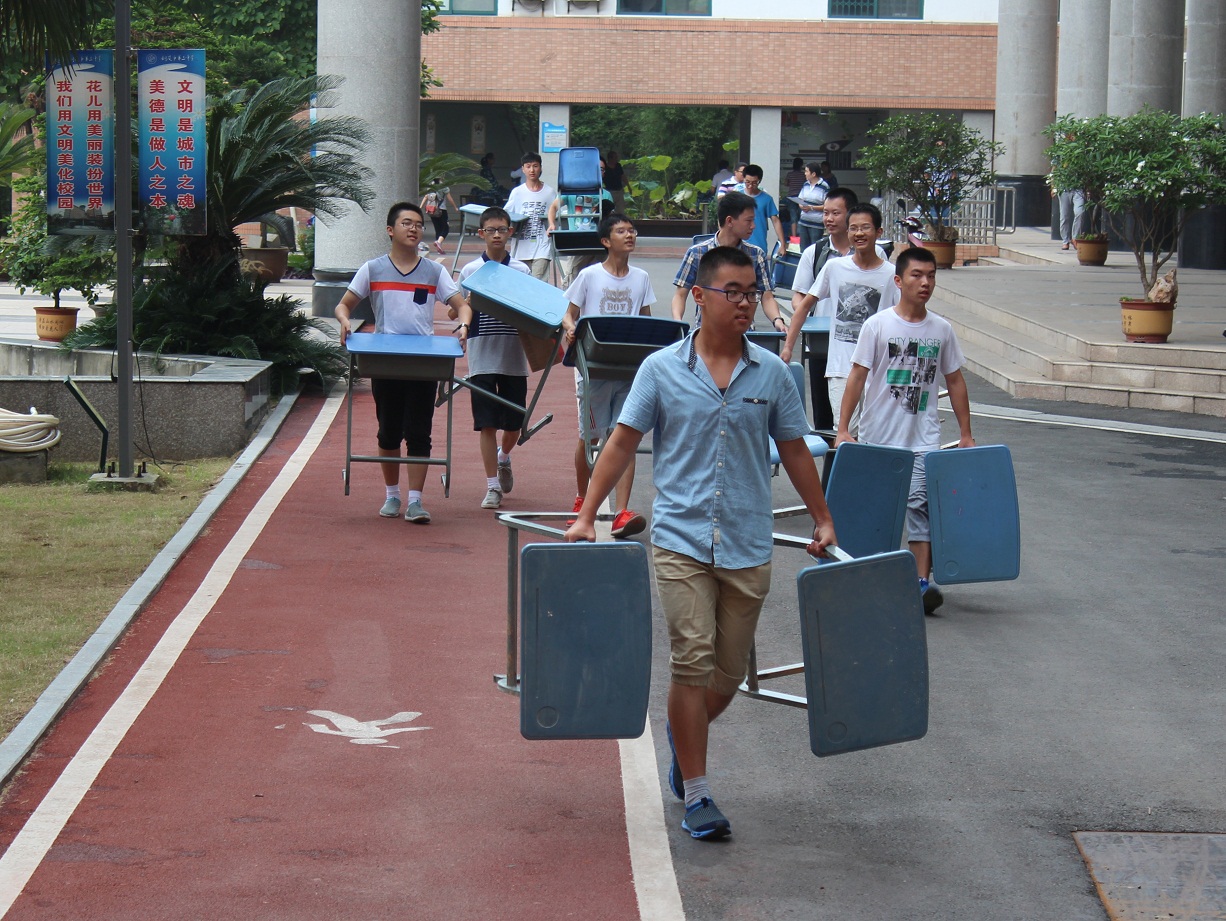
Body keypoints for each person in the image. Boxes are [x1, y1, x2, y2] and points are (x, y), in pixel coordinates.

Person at [565, 246, 837, 841]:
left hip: (747, 540)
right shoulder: (660, 369)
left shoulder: (772, 373)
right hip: (680, 538)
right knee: (691, 660)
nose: (745, 303)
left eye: (751, 293)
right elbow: (620, 441)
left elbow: (794, 448)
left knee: (727, 676)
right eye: (732, 292)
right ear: (701, 297)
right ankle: (698, 792)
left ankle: (682, 733)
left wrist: (823, 518)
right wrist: (588, 515)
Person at [835, 246, 975, 615]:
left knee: (919, 508)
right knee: (878, 513)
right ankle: (868, 576)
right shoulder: (877, 326)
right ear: (898, 281)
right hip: (878, 438)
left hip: (922, 440)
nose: (925, 282)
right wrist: (843, 428)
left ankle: (920, 583)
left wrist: (966, 433)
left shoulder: (941, 329)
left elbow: (955, 381)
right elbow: (857, 376)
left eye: (931, 275)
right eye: (917, 275)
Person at [335, 202, 467, 524]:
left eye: (419, 224)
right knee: (388, 430)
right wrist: (345, 321)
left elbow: (461, 305)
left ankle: (416, 501)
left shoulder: (434, 271)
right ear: (390, 230)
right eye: (407, 223)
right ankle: (392, 495)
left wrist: (464, 324)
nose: (414, 229)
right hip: (385, 362)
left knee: (419, 432)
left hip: (424, 363)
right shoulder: (372, 269)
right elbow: (344, 305)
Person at [561, 212, 655, 539]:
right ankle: (581, 499)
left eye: (632, 230)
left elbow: (647, 321)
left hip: (628, 369)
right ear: (606, 241)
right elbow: (569, 314)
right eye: (621, 231)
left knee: (624, 437)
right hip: (593, 370)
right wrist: (571, 329)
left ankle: (621, 512)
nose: (630, 235)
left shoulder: (641, 278)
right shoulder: (589, 275)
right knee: (590, 438)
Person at [786, 202, 898, 436]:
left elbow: (903, 319)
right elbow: (805, 305)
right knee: (845, 432)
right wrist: (788, 348)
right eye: (853, 228)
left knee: (877, 434)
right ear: (847, 233)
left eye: (865, 227)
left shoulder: (892, 274)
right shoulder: (834, 267)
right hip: (841, 368)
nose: (859, 233)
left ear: (878, 232)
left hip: (880, 370)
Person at [456, 207, 532, 511]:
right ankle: (492, 486)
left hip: (514, 355)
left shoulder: (522, 271)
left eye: (502, 229)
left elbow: (534, 309)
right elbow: (455, 308)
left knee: (514, 424)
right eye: (491, 230)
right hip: (481, 356)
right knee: (486, 424)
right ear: (481, 234)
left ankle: (504, 457)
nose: (497, 235)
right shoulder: (470, 271)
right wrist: (468, 303)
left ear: (510, 232)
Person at [670, 190, 787, 331]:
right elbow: (680, 294)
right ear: (730, 221)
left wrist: (777, 320)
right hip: (706, 333)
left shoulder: (756, 255)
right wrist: (678, 323)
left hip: (743, 333)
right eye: (748, 220)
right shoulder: (697, 253)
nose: (753, 226)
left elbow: (766, 296)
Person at [548, 156, 613, 287]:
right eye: (596, 169)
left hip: (598, 242)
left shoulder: (606, 194)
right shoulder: (571, 192)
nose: (598, 172)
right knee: (573, 279)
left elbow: (611, 219)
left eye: (601, 169)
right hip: (577, 241)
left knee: (600, 281)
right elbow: (553, 207)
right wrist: (551, 224)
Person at [505, 152, 555, 281]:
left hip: (542, 247)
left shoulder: (549, 192)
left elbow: (556, 214)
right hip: (521, 248)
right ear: (523, 169)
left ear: (540, 168)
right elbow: (506, 215)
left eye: (535, 166)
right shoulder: (517, 193)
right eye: (528, 166)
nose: (532, 170)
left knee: (539, 283)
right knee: (521, 284)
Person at [740, 164, 786, 255]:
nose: (750, 186)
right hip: (739, 245)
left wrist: (783, 244)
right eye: (747, 182)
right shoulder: (737, 197)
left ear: (759, 181)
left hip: (759, 246)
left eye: (754, 183)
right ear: (743, 179)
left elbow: (775, 221)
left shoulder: (766, 199)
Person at [795, 161, 830, 251]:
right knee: (803, 249)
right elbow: (800, 199)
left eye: (806, 171)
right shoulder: (806, 184)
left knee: (815, 250)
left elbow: (827, 206)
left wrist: (811, 207)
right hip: (803, 222)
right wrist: (801, 205)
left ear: (813, 174)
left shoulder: (824, 186)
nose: (805, 173)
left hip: (816, 224)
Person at [421, 185, 459, 256]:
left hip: (432, 210)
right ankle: (438, 242)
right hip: (441, 210)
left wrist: (420, 207)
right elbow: (450, 198)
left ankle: (439, 248)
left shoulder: (430, 185)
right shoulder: (444, 187)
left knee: (437, 229)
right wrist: (455, 207)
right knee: (445, 228)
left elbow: (426, 197)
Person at [782, 157, 805, 244]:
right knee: (801, 216)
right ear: (801, 165)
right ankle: (801, 235)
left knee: (793, 217)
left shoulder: (790, 174)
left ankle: (794, 237)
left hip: (791, 197)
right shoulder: (803, 175)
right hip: (800, 198)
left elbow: (786, 183)